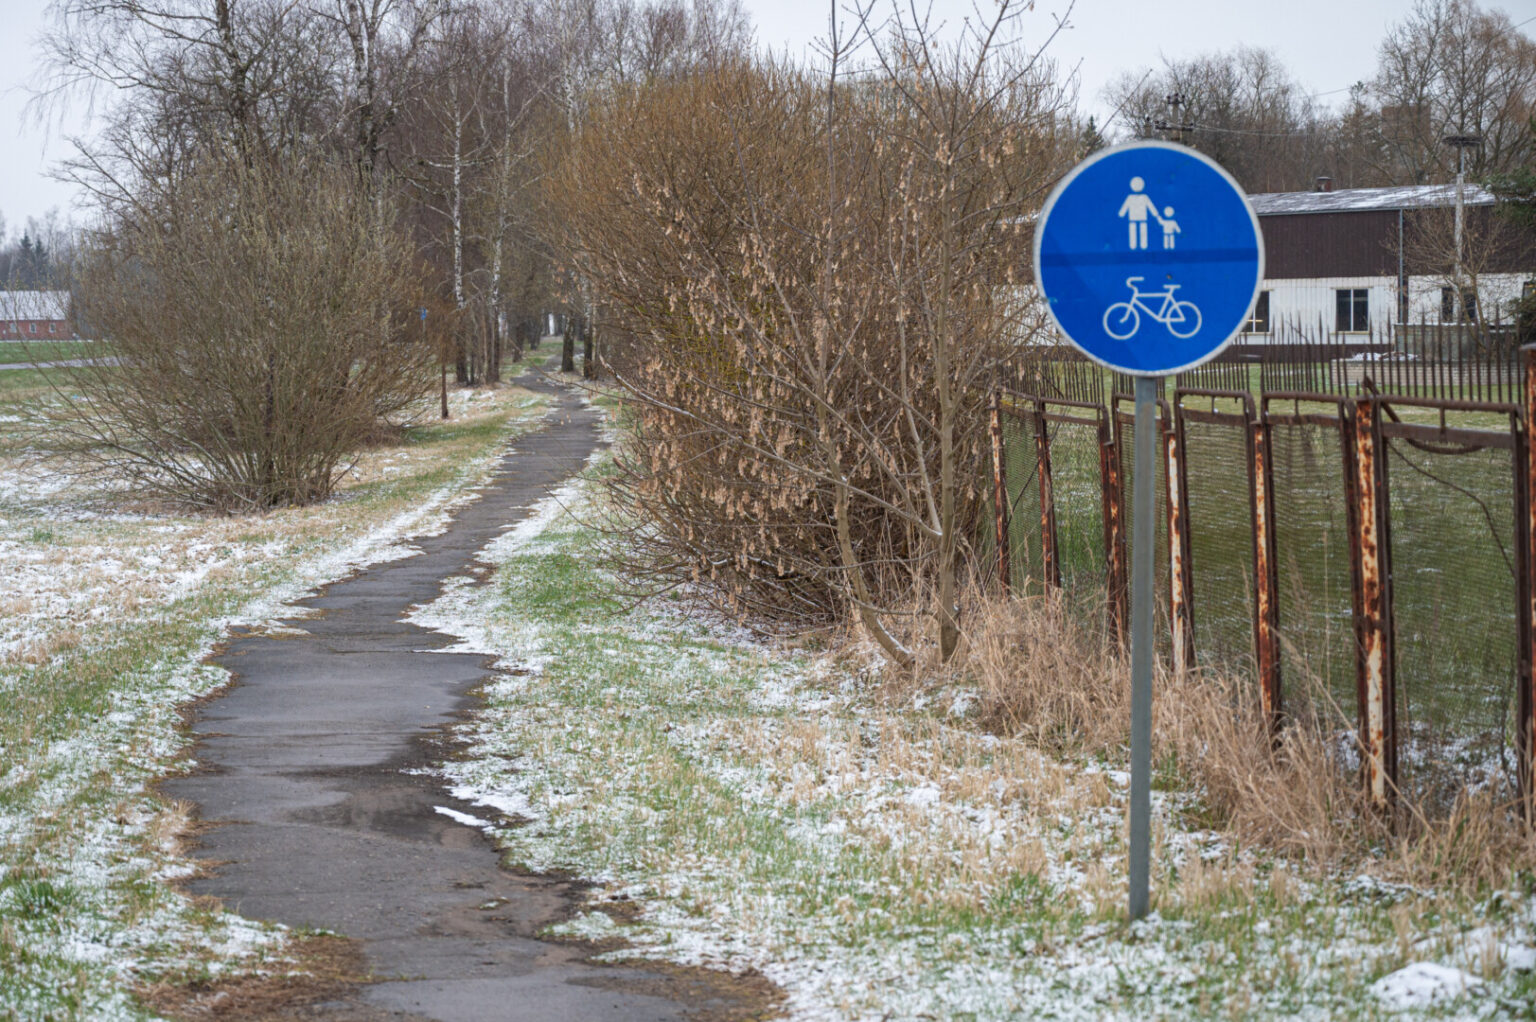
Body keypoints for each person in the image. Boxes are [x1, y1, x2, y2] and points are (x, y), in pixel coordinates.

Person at [1117, 177, 1162, 250]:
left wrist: (1121, 214)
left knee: (1138, 231)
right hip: (1138, 219)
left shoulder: (1141, 197)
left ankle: (1137, 246)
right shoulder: (1133, 197)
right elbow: (1151, 208)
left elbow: (1151, 207)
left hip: (1136, 219)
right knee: (1137, 231)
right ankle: (1139, 246)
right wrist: (1157, 216)